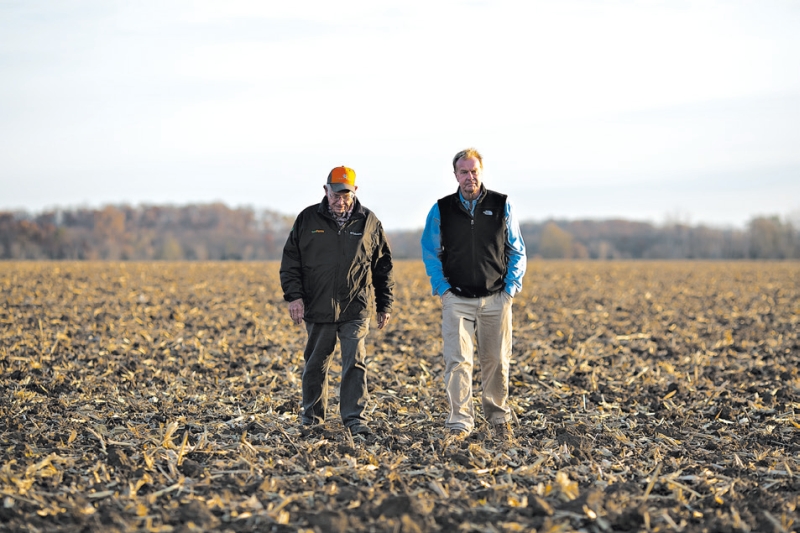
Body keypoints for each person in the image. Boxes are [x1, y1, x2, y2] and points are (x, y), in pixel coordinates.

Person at [420, 148, 527, 443]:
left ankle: (497, 419)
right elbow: (431, 251)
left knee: (496, 361)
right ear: (455, 175)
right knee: (458, 362)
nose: (469, 177)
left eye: (474, 171)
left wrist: (510, 290)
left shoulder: (501, 204)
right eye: (464, 172)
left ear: (482, 172)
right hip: (457, 299)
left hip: (496, 299)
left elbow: (517, 250)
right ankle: (459, 422)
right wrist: (442, 289)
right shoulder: (441, 209)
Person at [280, 166, 394, 437]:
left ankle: (354, 418)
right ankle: (312, 417)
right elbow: (290, 261)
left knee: (354, 360)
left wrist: (384, 304)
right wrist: (294, 296)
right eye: (335, 195)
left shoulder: (369, 222)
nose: (340, 201)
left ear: (355, 192)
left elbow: (383, 266)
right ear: (325, 190)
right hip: (318, 305)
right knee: (316, 363)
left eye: (346, 195)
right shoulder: (307, 219)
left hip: (356, 305)